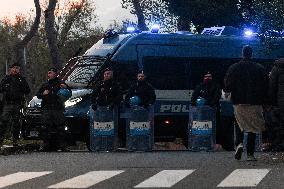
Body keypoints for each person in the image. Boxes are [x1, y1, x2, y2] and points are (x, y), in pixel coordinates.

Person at [224, 45, 268, 161]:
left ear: (242, 54)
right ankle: (250, 154)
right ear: (251, 54)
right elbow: (265, 85)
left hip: (239, 102)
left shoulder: (234, 67)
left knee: (240, 124)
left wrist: (228, 93)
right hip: (254, 102)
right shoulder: (259, 68)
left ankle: (239, 144)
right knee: (253, 128)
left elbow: (228, 84)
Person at [37, 67, 71, 151]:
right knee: (45, 127)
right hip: (47, 108)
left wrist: (65, 88)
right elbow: (38, 94)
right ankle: (45, 145)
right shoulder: (45, 84)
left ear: (55, 74)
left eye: (51, 73)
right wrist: (43, 94)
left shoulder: (60, 83)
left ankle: (63, 145)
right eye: (48, 73)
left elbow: (69, 93)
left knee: (61, 127)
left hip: (57, 108)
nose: (49, 74)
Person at [0, 63, 30, 147]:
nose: (15, 70)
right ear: (10, 69)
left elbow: (27, 90)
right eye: (14, 68)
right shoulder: (6, 79)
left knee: (16, 123)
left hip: (17, 105)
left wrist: (21, 88)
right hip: (7, 104)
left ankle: (15, 141)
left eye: (17, 68)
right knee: (3, 123)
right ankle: (1, 140)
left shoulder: (22, 79)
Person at [269, 58, 284, 151]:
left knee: (280, 124)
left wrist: (272, 102)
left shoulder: (277, 68)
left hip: (281, 101)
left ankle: (280, 145)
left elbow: (272, 86)